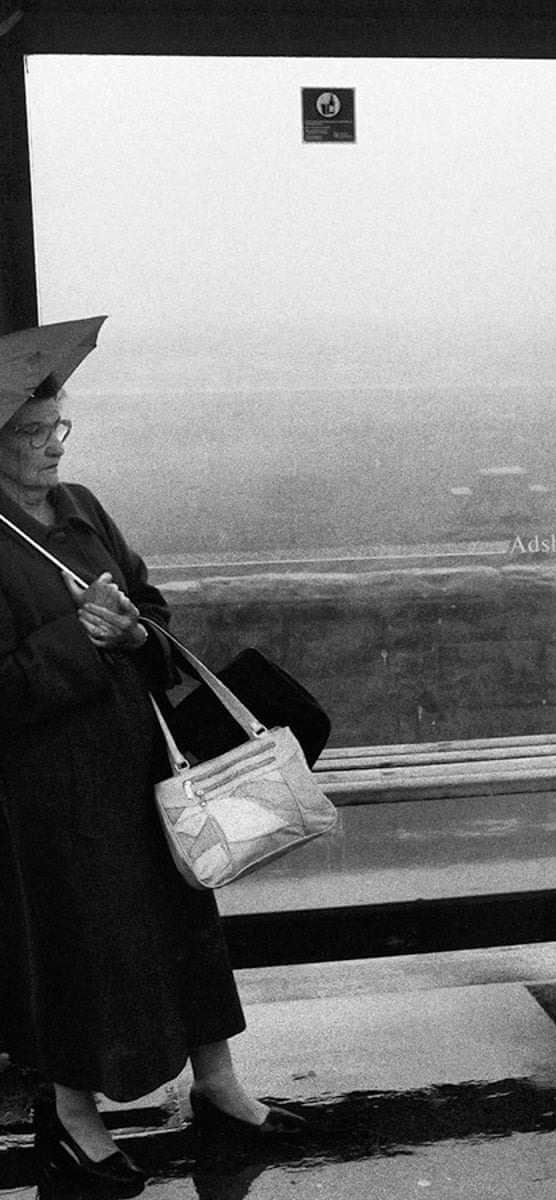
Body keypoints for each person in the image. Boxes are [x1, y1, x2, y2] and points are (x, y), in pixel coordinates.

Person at [0, 350, 303, 1197]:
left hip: (140, 764)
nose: (53, 447)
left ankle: (218, 1087)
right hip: (49, 792)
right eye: (30, 433)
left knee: (184, 920)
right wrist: (80, 639)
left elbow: (151, 608)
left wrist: (135, 633)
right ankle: (72, 1118)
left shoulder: (82, 507)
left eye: (57, 426)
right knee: (76, 944)